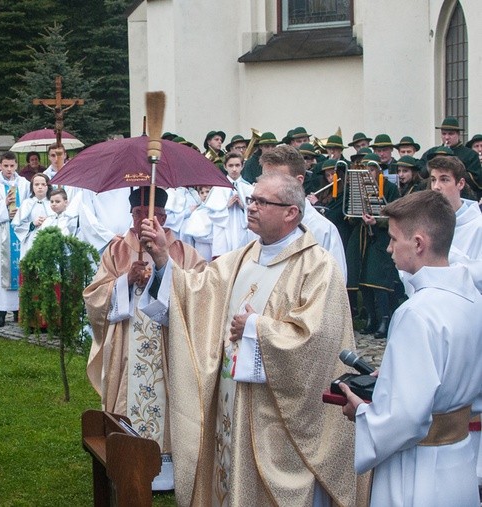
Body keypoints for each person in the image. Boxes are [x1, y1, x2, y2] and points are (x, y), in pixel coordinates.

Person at [139, 172, 363, 507]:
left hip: (279, 420)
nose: (251, 207)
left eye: (261, 201)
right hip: (235, 406)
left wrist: (256, 328)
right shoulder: (243, 256)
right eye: (252, 199)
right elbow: (194, 293)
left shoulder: (318, 267)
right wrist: (161, 258)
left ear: (291, 212)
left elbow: (319, 340)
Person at [340, 189, 482, 507]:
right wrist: (393, 375)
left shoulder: (416, 312)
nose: (388, 249)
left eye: (393, 239)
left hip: (418, 471)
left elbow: (403, 419)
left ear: (418, 244)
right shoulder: (474, 300)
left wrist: (361, 412)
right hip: (460, 460)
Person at [84, 187, 205, 492]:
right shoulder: (116, 251)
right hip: (128, 345)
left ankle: (169, 471)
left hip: (169, 345)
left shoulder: (182, 251)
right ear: (132, 215)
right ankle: (126, 459)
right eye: (140, 213)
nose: (146, 219)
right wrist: (125, 280)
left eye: (154, 214)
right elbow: (94, 296)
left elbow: (201, 291)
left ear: (163, 216)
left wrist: (163, 271)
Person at [260, 145, 347, 278]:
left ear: (298, 181)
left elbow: (335, 286)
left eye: (277, 179)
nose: (267, 186)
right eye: (265, 178)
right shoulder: (256, 226)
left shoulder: (323, 230)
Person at [345, 153, 400, 338]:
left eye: (372, 169)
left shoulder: (390, 188)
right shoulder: (357, 189)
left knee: (378, 281)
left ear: (378, 170)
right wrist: (358, 216)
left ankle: (385, 319)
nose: (369, 172)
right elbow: (350, 218)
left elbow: (395, 216)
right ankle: (371, 318)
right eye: (366, 169)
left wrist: (376, 222)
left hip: (382, 238)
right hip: (361, 239)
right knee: (362, 281)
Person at [0, 151, 31, 327]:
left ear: (16, 165)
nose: (9, 169)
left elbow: (29, 204)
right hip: (0, 233)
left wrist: (20, 214)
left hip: (19, 233)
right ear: (0, 166)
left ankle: (18, 311)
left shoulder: (24, 184)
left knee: (20, 271)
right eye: (6, 166)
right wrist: (4, 206)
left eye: (12, 166)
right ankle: (0, 312)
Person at [429, 155, 482, 259]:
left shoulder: (478, 226)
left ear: (461, 184)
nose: (436, 187)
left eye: (444, 180)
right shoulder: (426, 221)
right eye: (433, 180)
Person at [421, 117, 482, 198]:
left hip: (462, 197)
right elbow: (420, 174)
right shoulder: (431, 152)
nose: (446, 137)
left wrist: (454, 166)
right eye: (444, 133)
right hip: (435, 197)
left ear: (458, 135)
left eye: (450, 134)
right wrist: (435, 161)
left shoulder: (470, 154)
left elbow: (476, 181)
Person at [212, 152, 255, 256]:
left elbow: (255, 211)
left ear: (242, 166)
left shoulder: (249, 188)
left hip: (242, 231)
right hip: (224, 232)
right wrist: (226, 206)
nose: (234, 169)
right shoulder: (218, 188)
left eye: (237, 165)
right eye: (231, 166)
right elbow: (211, 214)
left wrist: (243, 207)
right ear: (225, 167)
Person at [12, 173, 54, 257]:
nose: (40, 187)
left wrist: (49, 221)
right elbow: (17, 226)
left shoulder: (53, 203)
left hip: (50, 241)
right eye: (36, 184)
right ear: (32, 187)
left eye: (43, 184)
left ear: (47, 187)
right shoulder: (27, 203)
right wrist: (32, 224)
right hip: (31, 241)